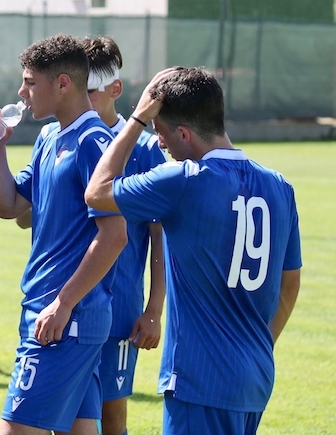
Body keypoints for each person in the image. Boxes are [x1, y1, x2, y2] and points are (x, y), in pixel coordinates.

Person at [85, 66, 302, 435]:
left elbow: (98, 191)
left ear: (184, 133)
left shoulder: (183, 181)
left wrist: (136, 118)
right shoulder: (280, 187)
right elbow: (290, 285)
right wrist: (258, 347)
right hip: (254, 377)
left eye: (163, 134)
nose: (161, 145)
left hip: (200, 381)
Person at [15, 36, 166, 435]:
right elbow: (20, 213)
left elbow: (150, 233)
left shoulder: (120, 145)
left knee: (110, 415)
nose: (92, 97)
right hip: (66, 301)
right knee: (81, 421)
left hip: (108, 303)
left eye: (97, 90)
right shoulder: (52, 137)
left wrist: (154, 306)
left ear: (113, 89)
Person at [0, 33, 127, 435]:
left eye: (30, 81)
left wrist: (64, 304)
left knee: (15, 429)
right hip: (57, 314)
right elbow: (10, 206)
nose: (21, 91)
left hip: (66, 319)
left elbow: (115, 235)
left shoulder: (94, 143)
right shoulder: (49, 137)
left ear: (62, 83)